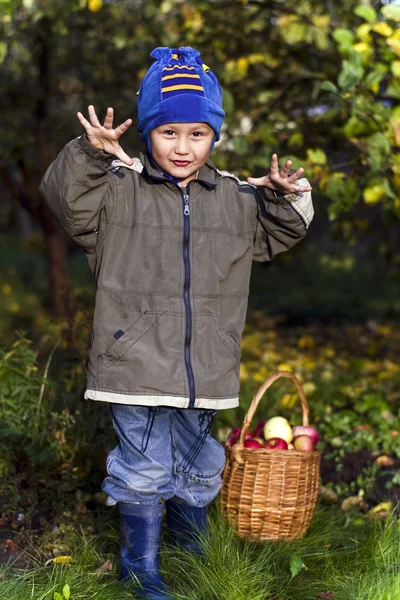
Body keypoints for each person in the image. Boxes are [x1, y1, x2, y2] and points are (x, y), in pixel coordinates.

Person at [40, 46, 313, 600]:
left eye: (197, 133)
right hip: (133, 359)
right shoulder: (118, 189)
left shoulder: (235, 198)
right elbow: (66, 202)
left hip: (205, 363)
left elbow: (279, 234)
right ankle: (140, 568)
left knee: (197, 463)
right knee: (141, 466)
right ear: (148, 132)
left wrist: (291, 199)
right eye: (168, 133)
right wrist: (90, 156)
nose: (183, 147)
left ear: (214, 136)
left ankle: (191, 552)